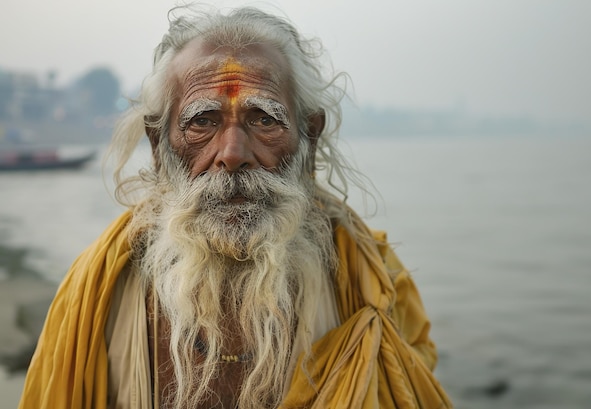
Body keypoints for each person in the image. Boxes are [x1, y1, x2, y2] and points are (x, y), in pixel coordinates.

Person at [19, 6, 452, 409]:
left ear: (310, 138)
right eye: (202, 122)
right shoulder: (97, 294)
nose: (232, 153)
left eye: (264, 120)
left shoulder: (369, 283)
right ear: (157, 145)